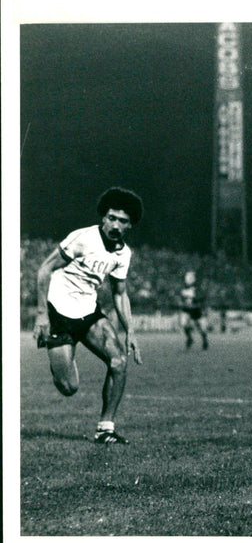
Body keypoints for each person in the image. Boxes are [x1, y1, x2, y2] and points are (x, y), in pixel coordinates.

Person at [32, 187, 144, 444]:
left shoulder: (123, 254)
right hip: (59, 313)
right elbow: (44, 269)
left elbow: (119, 293)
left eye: (123, 221)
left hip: (89, 313)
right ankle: (62, 352)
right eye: (112, 217)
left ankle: (105, 428)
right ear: (103, 217)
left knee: (119, 361)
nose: (115, 224)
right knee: (68, 387)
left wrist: (131, 331)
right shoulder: (83, 238)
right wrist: (41, 315)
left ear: (130, 225)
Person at [180, 270, 210, 350]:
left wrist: (197, 301)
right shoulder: (183, 288)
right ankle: (189, 338)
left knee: (200, 326)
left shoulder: (197, 288)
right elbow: (182, 299)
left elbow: (201, 298)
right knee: (183, 323)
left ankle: (204, 340)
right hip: (187, 309)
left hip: (195, 309)